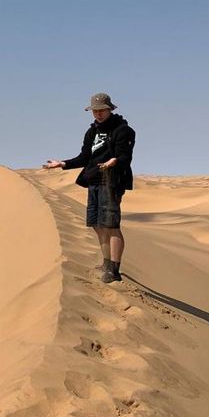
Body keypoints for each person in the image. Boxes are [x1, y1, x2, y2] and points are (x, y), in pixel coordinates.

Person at [44, 93, 136, 283]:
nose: (98, 114)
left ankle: (115, 270)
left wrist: (114, 161)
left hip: (111, 180)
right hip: (94, 179)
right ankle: (106, 263)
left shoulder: (123, 130)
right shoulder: (92, 131)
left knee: (111, 225)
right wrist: (62, 163)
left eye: (102, 110)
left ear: (110, 109)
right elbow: (84, 157)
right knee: (96, 224)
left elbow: (125, 156)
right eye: (95, 111)